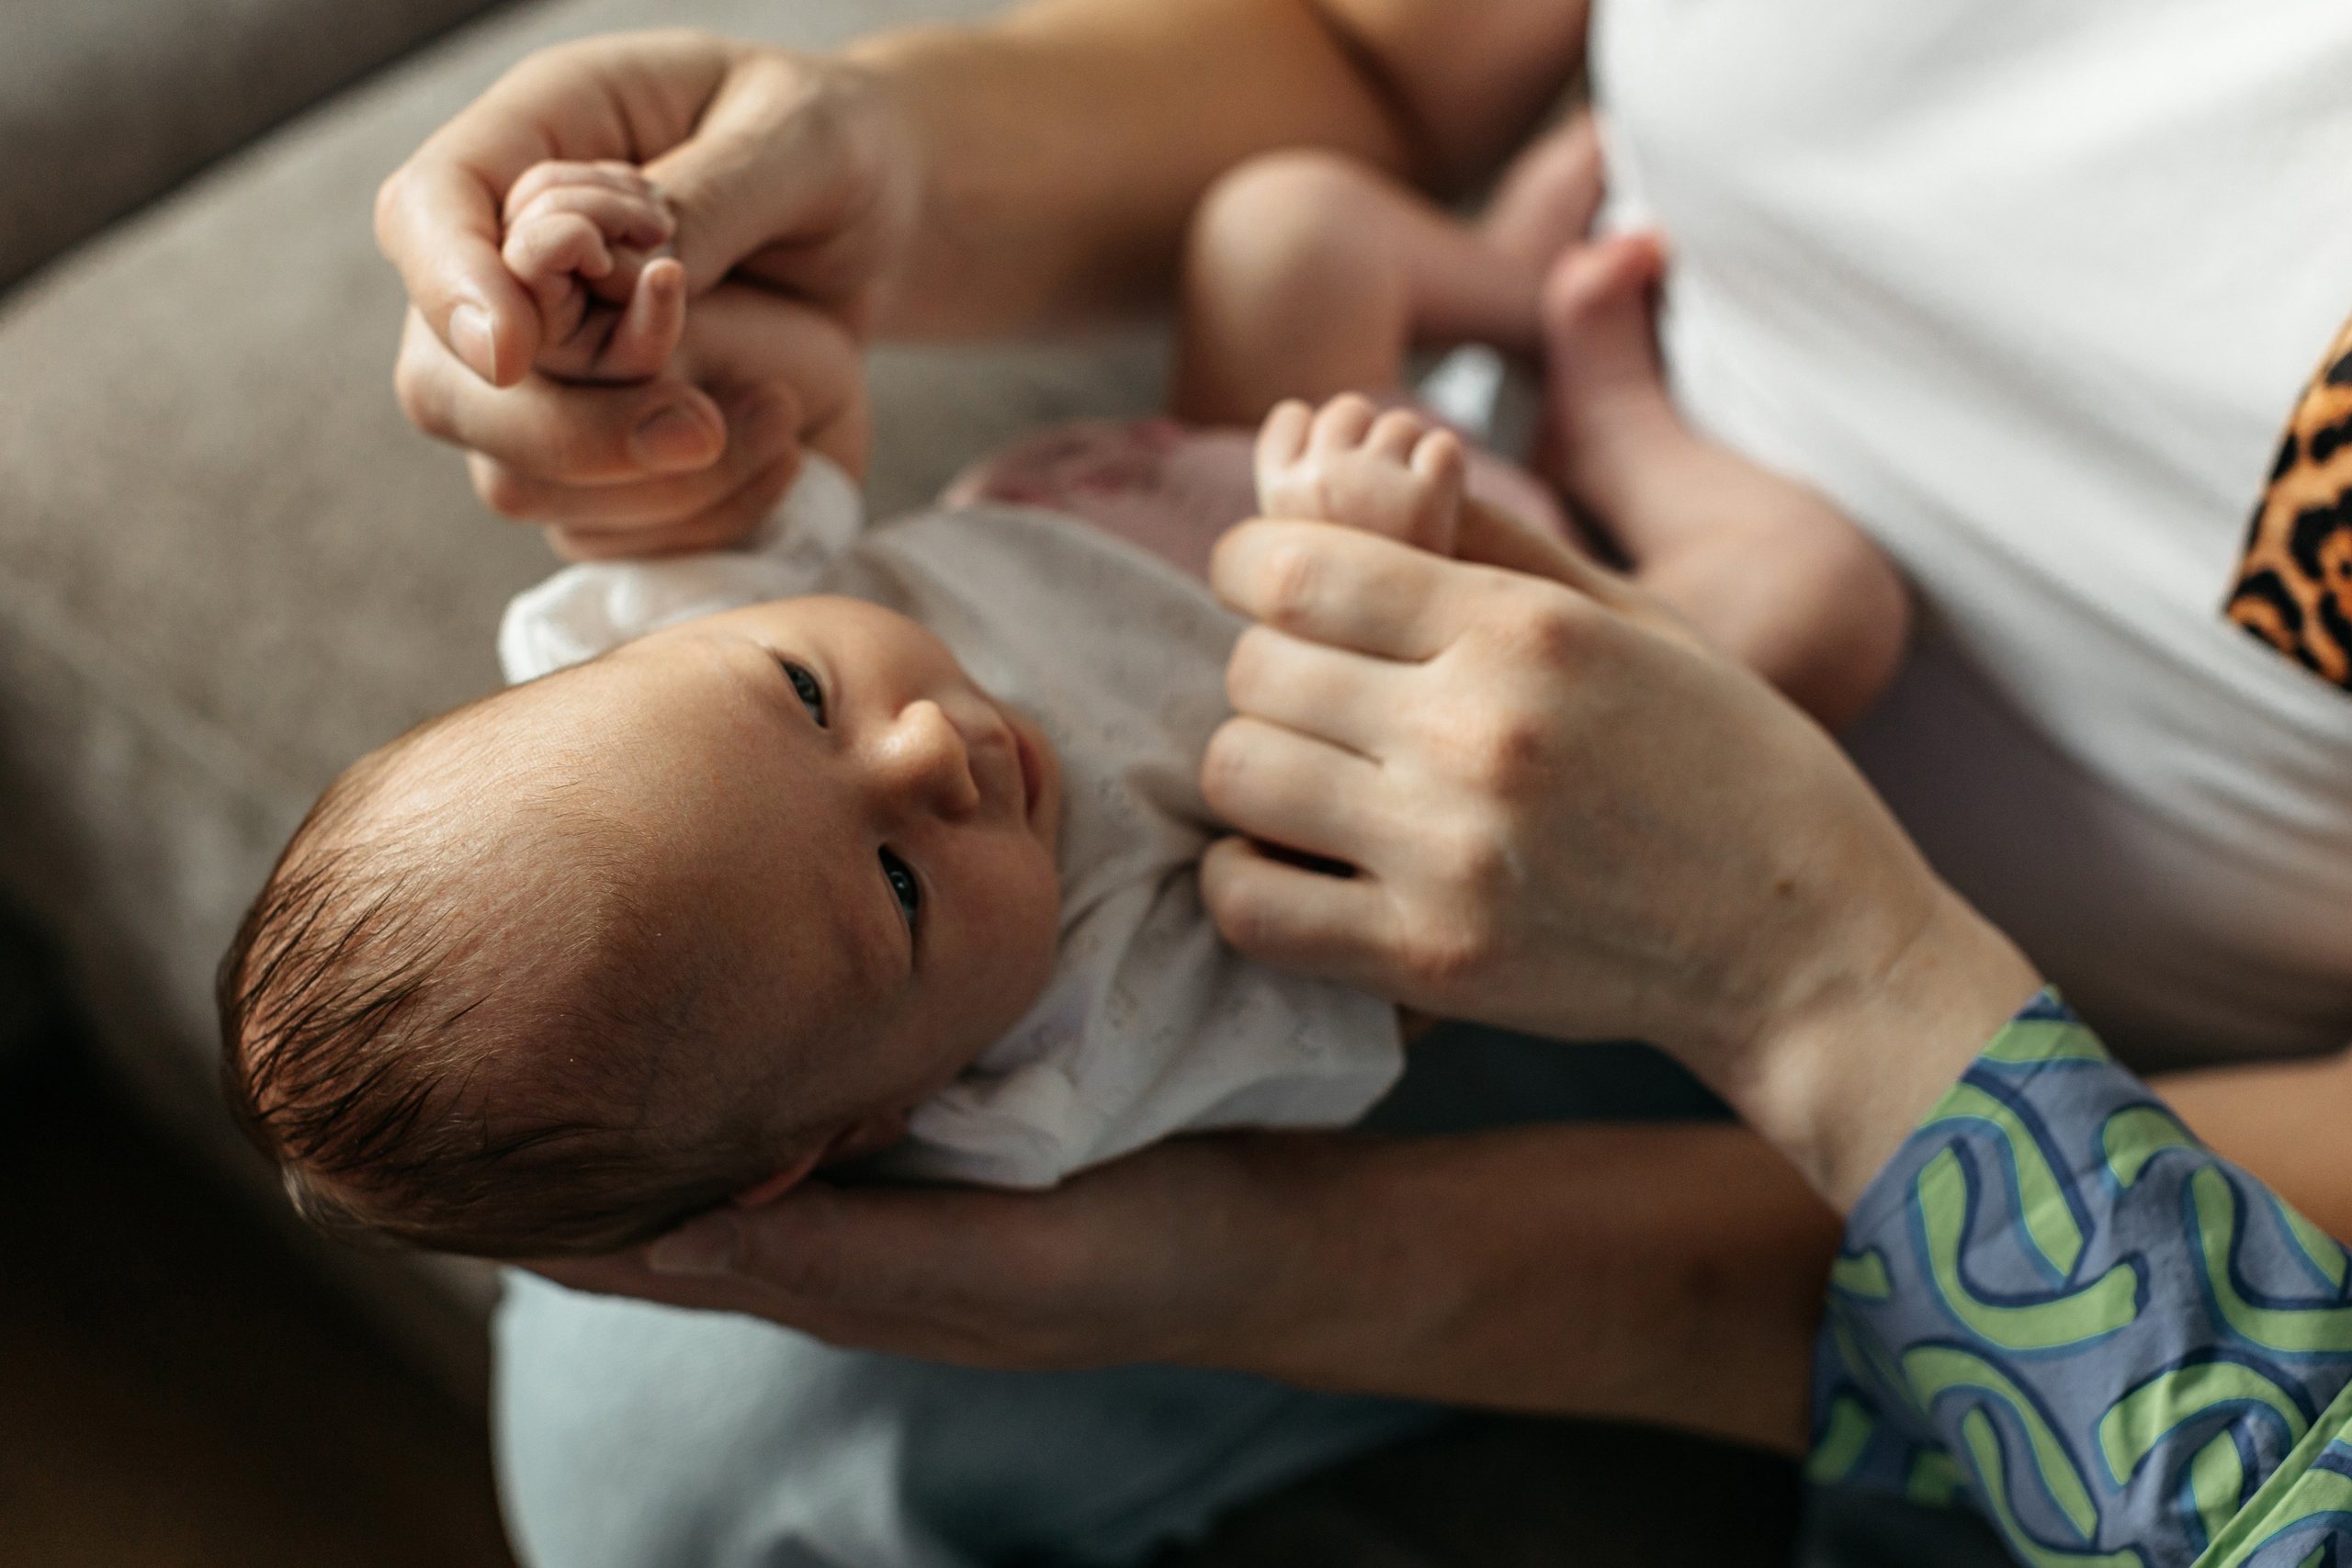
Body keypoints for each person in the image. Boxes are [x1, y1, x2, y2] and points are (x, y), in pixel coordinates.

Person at [371, 4, 2352, 1565]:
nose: (930, 745)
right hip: (1354, 542)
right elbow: (1359, 44)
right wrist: (792, 202)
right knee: (659, 1421)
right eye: (894, 883)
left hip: (1962, 980)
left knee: (1796, 606)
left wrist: (1304, 1258)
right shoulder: (993, 1018)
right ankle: (1551, 336)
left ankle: (1597, 390)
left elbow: (1354, 911)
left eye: (822, 701)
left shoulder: (1057, 992)